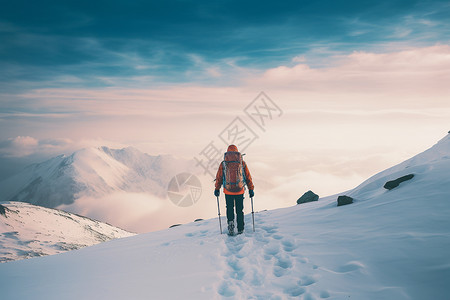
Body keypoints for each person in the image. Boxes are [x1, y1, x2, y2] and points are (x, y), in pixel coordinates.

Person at [214, 145, 254, 235]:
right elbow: (248, 177)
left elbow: (219, 177)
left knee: (229, 208)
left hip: (228, 191)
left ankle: (231, 224)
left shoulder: (223, 164)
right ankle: (240, 228)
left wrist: (217, 188)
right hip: (240, 190)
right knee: (239, 210)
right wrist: (251, 189)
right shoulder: (242, 163)